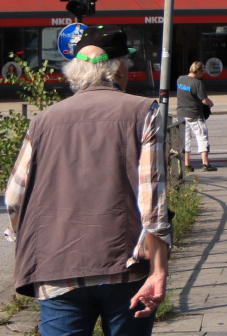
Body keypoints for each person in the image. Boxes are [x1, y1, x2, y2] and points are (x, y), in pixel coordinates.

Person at [4, 27, 170, 336]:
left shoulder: (42, 121)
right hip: (125, 268)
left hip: (57, 267)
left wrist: (34, 241)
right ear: (119, 67)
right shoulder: (144, 112)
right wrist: (159, 271)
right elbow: (152, 200)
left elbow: (14, 198)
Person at [176, 62, 216, 172]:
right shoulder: (198, 83)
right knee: (202, 137)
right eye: (202, 72)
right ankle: (206, 164)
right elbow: (204, 100)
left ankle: (187, 164)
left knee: (186, 139)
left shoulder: (180, 80)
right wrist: (211, 103)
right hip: (194, 115)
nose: (203, 74)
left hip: (181, 114)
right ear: (198, 71)